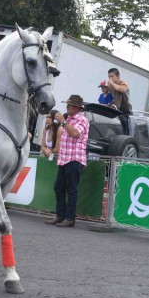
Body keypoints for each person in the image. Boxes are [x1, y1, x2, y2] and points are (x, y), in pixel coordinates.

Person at [45, 94, 89, 228]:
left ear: (77, 107)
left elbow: (75, 134)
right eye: (67, 105)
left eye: (70, 105)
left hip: (74, 158)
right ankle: (60, 215)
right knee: (58, 187)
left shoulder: (82, 120)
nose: (67, 107)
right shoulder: (68, 119)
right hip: (64, 159)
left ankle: (69, 218)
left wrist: (63, 122)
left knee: (71, 189)